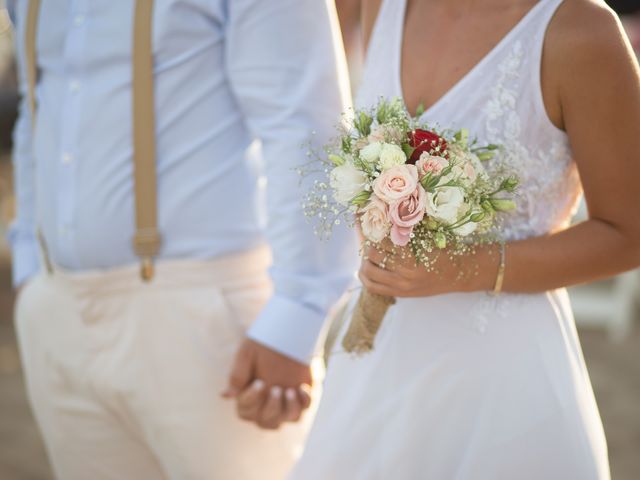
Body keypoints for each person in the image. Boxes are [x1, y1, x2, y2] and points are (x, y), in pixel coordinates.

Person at [291, 0, 640, 478]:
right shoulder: (379, 6)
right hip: (377, 359)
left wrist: (466, 267)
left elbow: (629, 233)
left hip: (504, 381)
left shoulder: (579, 31)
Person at [7, 0, 355, 478]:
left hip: (201, 316)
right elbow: (37, 104)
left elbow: (305, 125)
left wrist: (299, 312)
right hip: (56, 310)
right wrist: (29, 260)